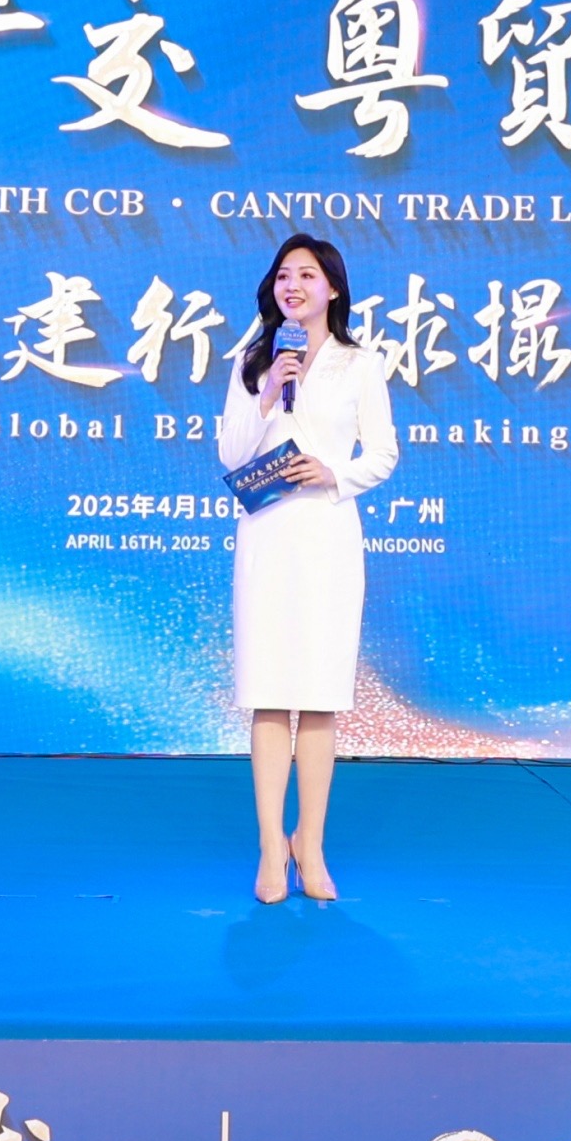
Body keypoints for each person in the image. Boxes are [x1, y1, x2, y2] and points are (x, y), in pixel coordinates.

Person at [215, 232, 396, 905]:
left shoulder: (359, 364)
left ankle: (309, 843)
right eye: (284, 275)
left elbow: (383, 453)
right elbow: (231, 453)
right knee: (269, 693)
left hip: (326, 535)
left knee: (319, 697)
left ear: (333, 289)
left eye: (307, 275)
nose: (293, 286)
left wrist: (333, 474)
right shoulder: (254, 361)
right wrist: (268, 394)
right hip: (267, 537)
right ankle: (271, 847)